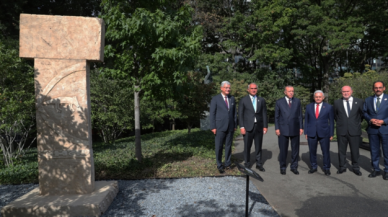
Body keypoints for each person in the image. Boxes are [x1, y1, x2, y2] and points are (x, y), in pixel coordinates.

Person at [333, 86, 363, 176]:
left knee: (355, 151)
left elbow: (361, 115)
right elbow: (336, 116)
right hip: (341, 130)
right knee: (341, 151)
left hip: (354, 130)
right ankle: (342, 167)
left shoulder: (359, 102)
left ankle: (356, 167)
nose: (346, 93)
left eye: (347, 91)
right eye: (344, 91)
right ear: (341, 92)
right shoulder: (337, 102)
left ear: (351, 91)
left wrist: (354, 124)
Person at [239, 83, 268, 171]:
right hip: (248, 127)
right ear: (248, 90)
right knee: (247, 147)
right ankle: (247, 164)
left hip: (258, 126)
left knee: (258, 146)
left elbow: (264, 113)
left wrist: (265, 126)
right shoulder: (243, 100)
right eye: (252, 88)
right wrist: (242, 127)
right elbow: (240, 114)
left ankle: (259, 164)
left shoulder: (261, 100)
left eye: (255, 88)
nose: (254, 90)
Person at [275, 86, 303, 175]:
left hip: (295, 128)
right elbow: (277, 117)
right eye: (289, 91)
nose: (291, 92)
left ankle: (294, 167)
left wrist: (301, 127)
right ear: (285, 92)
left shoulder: (297, 101)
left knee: (295, 149)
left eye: (292, 91)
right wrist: (277, 128)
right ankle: (283, 167)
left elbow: (300, 116)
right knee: (283, 149)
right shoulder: (279, 102)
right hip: (283, 129)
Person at [304, 90, 334, 175]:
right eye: (316, 97)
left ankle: (327, 168)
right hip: (311, 132)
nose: (318, 98)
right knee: (312, 151)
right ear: (314, 97)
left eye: (319, 97)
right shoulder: (308, 106)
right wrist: (306, 132)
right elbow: (306, 120)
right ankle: (313, 167)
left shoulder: (328, 107)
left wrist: (331, 133)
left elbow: (331, 121)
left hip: (324, 133)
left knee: (325, 152)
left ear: (323, 97)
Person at [210, 81, 237, 174]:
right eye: (226, 87)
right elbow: (212, 114)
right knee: (219, 147)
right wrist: (213, 126)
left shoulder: (232, 98)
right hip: (219, 127)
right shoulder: (215, 99)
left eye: (229, 87)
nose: (228, 89)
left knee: (228, 146)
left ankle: (228, 164)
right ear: (221, 88)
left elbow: (234, 114)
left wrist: (235, 124)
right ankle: (219, 165)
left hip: (230, 127)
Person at [363, 81, 388, 180]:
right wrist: (371, 119)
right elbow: (364, 112)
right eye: (376, 88)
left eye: (380, 87)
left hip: (385, 129)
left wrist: (383, 121)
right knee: (374, 151)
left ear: (384, 88)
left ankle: (387, 171)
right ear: (373, 89)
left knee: (387, 151)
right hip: (372, 129)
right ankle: (376, 169)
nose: (378, 89)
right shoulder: (368, 100)